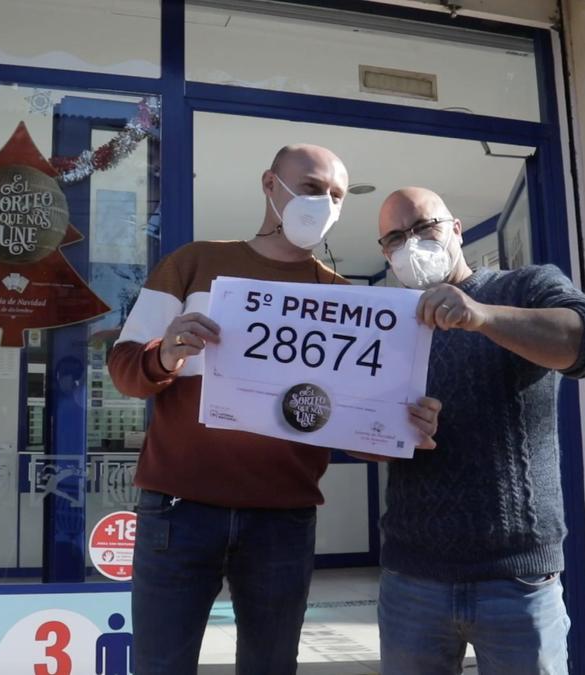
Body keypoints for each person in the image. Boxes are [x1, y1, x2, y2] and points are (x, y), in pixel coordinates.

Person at [108, 145, 441, 674]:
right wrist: (166, 352)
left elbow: (354, 425)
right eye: (311, 188)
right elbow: (125, 370)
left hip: (281, 520)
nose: (325, 203)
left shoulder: (345, 300)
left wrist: (402, 430)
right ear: (270, 184)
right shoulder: (193, 264)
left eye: (336, 196)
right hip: (178, 512)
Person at [372, 187, 585, 675]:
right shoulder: (387, 323)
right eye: (396, 237)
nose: (412, 243)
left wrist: (480, 316)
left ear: (456, 229)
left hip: (517, 579)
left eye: (425, 227)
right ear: (385, 253)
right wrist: (389, 433)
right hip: (411, 578)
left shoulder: (525, 287)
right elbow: (363, 438)